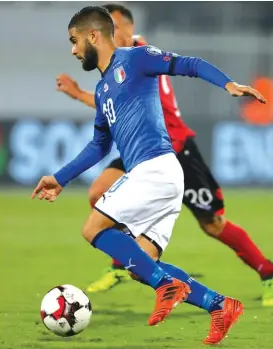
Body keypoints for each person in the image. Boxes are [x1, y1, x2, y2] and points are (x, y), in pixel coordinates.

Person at [32, 6, 266, 344]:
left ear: (93, 36)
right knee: (141, 264)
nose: (73, 50)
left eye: (74, 41)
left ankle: (166, 285)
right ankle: (219, 305)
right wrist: (60, 177)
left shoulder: (136, 59)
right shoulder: (102, 91)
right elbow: (99, 146)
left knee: (93, 228)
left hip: (155, 168)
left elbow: (190, 64)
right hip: (161, 178)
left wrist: (227, 83)